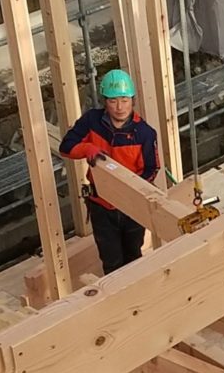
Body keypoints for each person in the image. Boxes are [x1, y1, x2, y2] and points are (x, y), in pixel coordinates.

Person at [60, 68, 161, 274]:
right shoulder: (92, 122)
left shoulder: (144, 133)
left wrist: (130, 190)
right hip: (101, 206)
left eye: (124, 100)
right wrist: (87, 148)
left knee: (134, 257)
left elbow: (151, 169)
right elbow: (66, 147)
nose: (120, 107)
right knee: (111, 261)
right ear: (105, 102)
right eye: (113, 101)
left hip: (132, 206)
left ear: (132, 100)